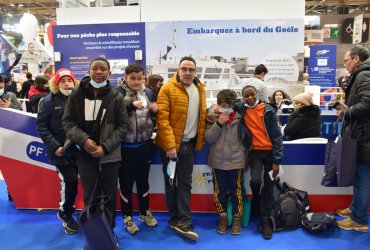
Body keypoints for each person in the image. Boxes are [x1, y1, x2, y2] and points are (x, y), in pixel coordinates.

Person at [62, 57, 128, 239]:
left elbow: (123, 126)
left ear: (109, 73)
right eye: (95, 69)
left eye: (103, 69)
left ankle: (108, 234)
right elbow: (67, 122)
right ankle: (93, 235)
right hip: (84, 155)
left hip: (109, 157)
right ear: (89, 71)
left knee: (109, 197)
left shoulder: (117, 97)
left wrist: (106, 147)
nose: (99, 72)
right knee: (90, 197)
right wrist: (83, 140)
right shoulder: (76, 95)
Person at [155, 56, 206, 241]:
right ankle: (174, 216)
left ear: (195, 71)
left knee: (185, 184)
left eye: (191, 69)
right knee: (171, 183)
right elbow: (162, 119)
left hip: (189, 146)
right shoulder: (167, 88)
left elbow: (200, 116)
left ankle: (184, 220)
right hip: (170, 147)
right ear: (178, 70)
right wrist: (169, 145)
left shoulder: (200, 88)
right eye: (184, 69)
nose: (188, 73)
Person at [235, 85, 283, 240]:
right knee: (255, 180)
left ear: (257, 94)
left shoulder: (268, 110)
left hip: (270, 153)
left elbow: (277, 137)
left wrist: (277, 161)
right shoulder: (241, 109)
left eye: (252, 94)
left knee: (269, 185)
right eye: (246, 96)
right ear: (242, 97)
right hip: (254, 152)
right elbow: (225, 105)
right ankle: (256, 201)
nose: (249, 98)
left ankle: (265, 219)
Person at [36, 68, 79, 234]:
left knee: (73, 183)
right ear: (56, 83)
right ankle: (65, 212)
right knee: (70, 180)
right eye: (63, 81)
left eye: (69, 80)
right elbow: (41, 126)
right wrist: (55, 146)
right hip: (59, 151)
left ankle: (70, 209)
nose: (67, 84)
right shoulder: (48, 101)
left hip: (78, 150)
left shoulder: (79, 99)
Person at [116, 63, 158, 235]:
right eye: (133, 78)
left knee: (143, 181)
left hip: (145, 145)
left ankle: (144, 212)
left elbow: (153, 115)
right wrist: (131, 106)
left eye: (140, 78)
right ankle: (127, 216)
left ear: (144, 78)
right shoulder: (117, 94)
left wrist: (155, 111)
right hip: (125, 147)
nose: (136, 81)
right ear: (126, 77)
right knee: (126, 184)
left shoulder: (148, 92)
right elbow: (113, 115)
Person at [336, 45, 370, 233]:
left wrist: (347, 112)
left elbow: (368, 103)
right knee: (359, 177)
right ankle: (355, 209)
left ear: (356, 59)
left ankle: (359, 220)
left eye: (347, 59)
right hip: (362, 135)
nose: (345, 63)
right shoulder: (362, 75)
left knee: (363, 179)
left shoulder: (364, 75)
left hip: (366, 138)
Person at [205, 89, 247, 235]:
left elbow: (247, 139)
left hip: (237, 160)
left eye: (229, 105)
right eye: (223, 105)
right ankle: (222, 216)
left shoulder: (241, 117)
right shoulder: (211, 116)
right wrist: (218, 123)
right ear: (218, 104)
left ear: (233, 105)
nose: (226, 108)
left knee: (237, 191)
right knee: (219, 191)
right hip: (217, 160)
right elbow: (208, 138)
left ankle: (237, 218)